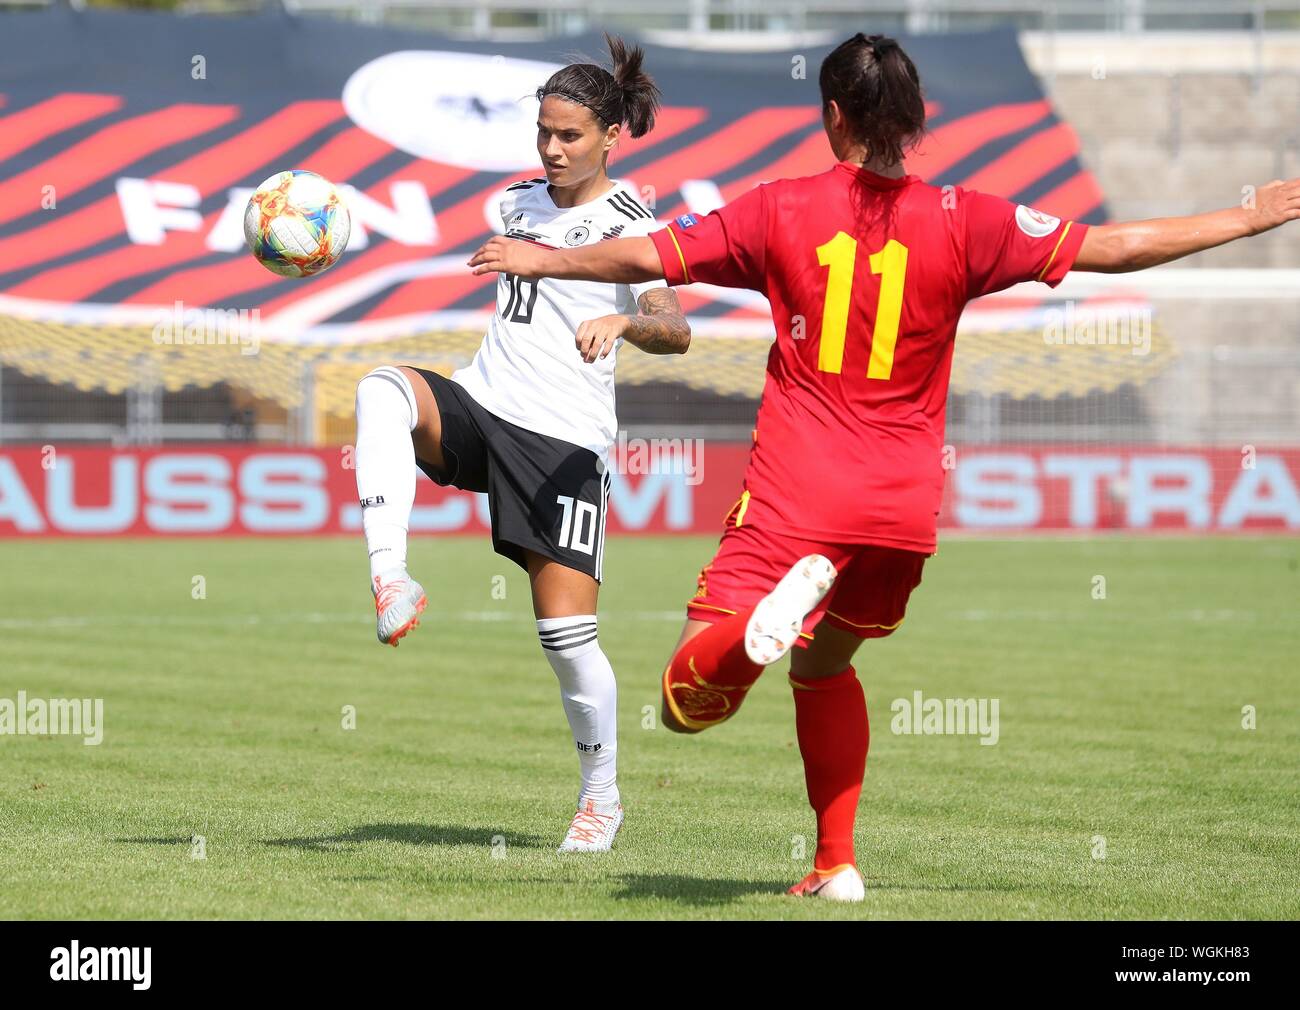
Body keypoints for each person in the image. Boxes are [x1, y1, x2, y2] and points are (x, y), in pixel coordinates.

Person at [469, 32, 1300, 897]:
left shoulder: (778, 207)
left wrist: (548, 257)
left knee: (684, 704)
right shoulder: (968, 218)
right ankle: (835, 864)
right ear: (912, 119)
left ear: (832, 115)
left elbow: (649, 254)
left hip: (799, 497)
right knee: (826, 667)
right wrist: (1252, 213)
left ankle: (753, 640)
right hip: (902, 511)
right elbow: (1116, 246)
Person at [354, 35, 690, 853]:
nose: (551, 147)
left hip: (565, 446)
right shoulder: (514, 202)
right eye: (543, 130)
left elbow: (676, 331)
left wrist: (624, 319)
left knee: (567, 643)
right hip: (484, 403)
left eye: (569, 134)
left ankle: (600, 798)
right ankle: (389, 576)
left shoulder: (631, 223)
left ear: (611, 135)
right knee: (382, 388)